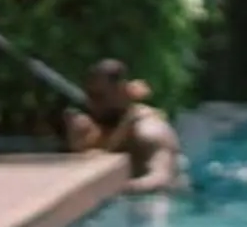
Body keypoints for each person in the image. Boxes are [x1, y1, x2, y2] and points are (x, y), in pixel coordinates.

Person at [63, 59, 184, 194]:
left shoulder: (148, 131)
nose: (92, 104)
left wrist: (102, 192)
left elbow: (160, 179)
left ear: (122, 91)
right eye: (90, 96)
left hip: (156, 203)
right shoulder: (100, 128)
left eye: (100, 97)